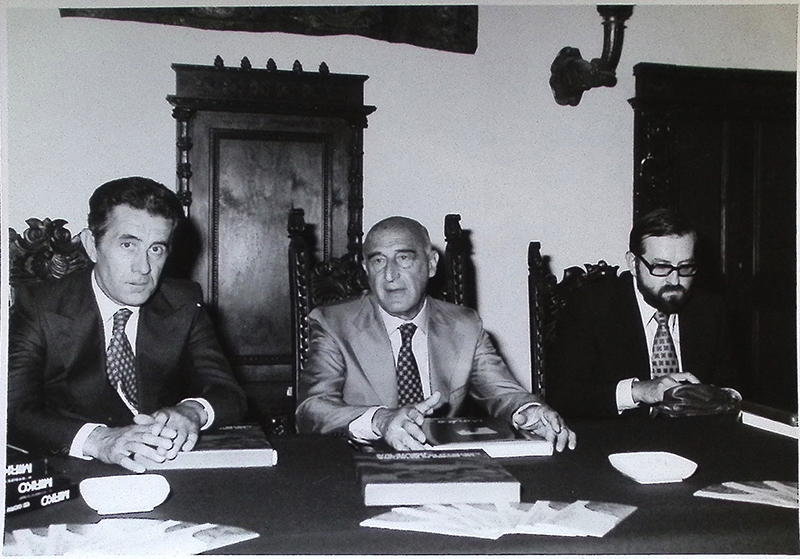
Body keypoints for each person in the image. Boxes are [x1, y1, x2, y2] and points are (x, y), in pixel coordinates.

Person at [8, 177, 247, 472]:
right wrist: (99, 440)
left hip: (164, 469)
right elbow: (13, 411)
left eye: (156, 249)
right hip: (75, 470)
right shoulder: (40, 306)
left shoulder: (184, 302)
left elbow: (229, 394)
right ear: (91, 246)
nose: (143, 268)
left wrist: (192, 412)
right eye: (128, 245)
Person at [296, 216, 576, 452]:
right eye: (379, 261)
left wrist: (528, 411)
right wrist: (380, 420)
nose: (390, 275)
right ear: (366, 269)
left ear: (431, 264)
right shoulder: (333, 323)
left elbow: (503, 393)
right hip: (360, 461)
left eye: (404, 258)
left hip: (446, 465)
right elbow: (311, 409)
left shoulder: (464, 325)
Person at [547, 208, 739, 418]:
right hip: (619, 440)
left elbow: (733, 388)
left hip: (693, 439)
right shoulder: (591, 306)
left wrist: (716, 397)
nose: (674, 281)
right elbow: (563, 396)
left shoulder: (710, 309)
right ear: (633, 262)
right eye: (661, 267)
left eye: (685, 268)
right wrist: (638, 391)